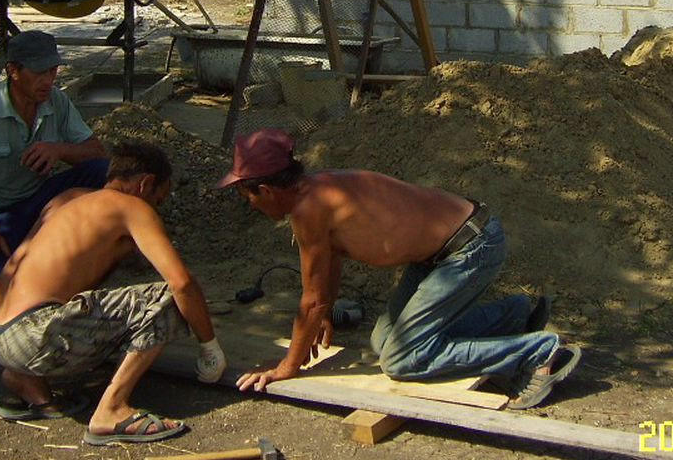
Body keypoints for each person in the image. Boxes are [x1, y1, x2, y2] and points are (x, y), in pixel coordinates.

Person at [220, 129, 581, 410]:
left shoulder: (309, 209)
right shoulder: (317, 190)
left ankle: (538, 352)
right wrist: (325, 312)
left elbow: (310, 300)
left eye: (247, 197)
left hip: (470, 247)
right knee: (383, 338)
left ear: (265, 190)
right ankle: (514, 315)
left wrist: (287, 367)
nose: (251, 206)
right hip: (446, 250)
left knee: (401, 359)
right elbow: (327, 268)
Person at [0, 141, 227, 446]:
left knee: (81, 298)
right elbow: (182, 284)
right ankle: (111, 410)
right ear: (145, 184)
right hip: (36, 336)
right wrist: (210, 346)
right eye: (159, 199)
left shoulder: (67, 199)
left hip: (0, 337)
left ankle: (26, 381)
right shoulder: (133, 207)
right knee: (165, 299)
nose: (156, 209)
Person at [0, 29, 108, 303]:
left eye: (52, 71)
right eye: (39, 73)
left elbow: (96, 153)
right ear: (13, 71)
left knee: (106, 171)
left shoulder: (56, 101)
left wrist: (59, 149)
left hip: (39, 202)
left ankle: (106, 246)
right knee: (1, 296)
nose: (48, 81)